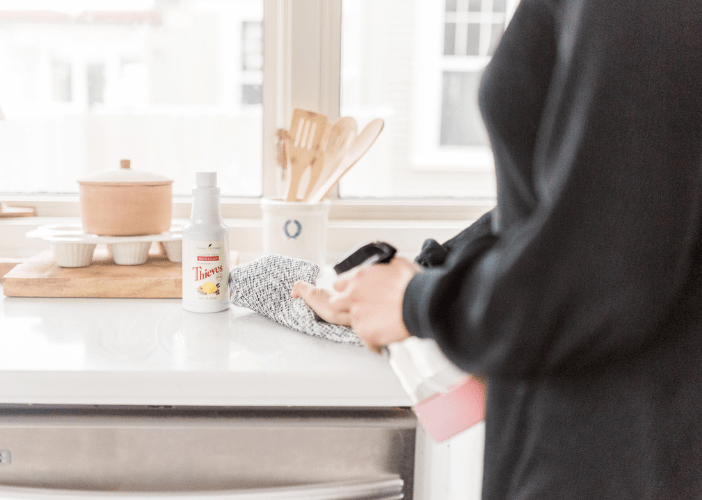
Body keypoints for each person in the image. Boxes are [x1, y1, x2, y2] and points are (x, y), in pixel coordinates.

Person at [294, 0, 702, 498]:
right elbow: (562, 205)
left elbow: (601, 265)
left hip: (627, 450)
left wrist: (419, 302)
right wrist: (416, 278)